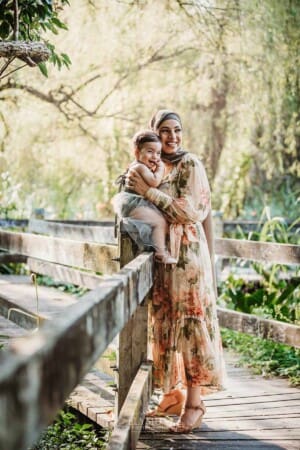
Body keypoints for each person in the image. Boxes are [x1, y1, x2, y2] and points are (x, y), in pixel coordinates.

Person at [125, 110, 226, 433]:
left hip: (188, 259)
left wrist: (148, 192)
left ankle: (195, 405)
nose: (172, 137)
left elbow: (190, 210)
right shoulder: (154, 164)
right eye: (164, 130)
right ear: (154, 133)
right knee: (165, 324)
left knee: (190, 327)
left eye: (177, 130)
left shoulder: (190, 163)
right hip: (165, 258)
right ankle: (172, 394)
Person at [113, 129, 177, 264]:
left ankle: (158, 250)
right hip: (133, 204)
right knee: (159, 222)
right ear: (137, 152)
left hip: (132, 203)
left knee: (157, 221)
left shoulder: (138, 166)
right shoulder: (140, 167)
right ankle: (161, 253)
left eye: (158, 153)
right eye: (150, 151)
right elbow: (154, 181)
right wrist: (161, 168)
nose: (155, 157)